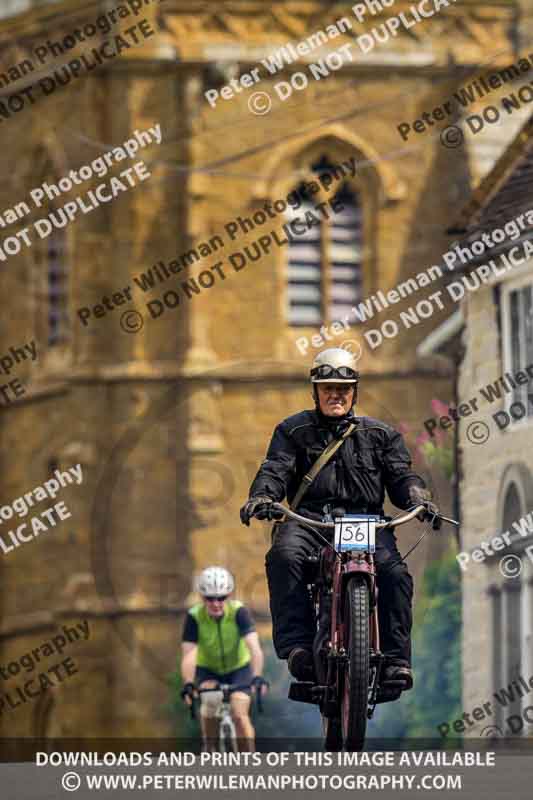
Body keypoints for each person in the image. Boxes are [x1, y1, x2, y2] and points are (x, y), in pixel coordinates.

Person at [239, 347, 439, 692]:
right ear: (315, 390)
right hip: (310, 521)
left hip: (365, 522)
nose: (336, 395)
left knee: (394, 573)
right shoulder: (292, 431)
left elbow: (401, 477)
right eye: (328, 387)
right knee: (283, 557)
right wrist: (263, 496)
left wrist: (419, 499)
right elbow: (275, 469)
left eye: (343, 389)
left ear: (354, 392)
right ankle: (298, 648)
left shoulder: (382, 435)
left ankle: (395, 660)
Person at [180, 566, 268, 751]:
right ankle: (210, 749)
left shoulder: (239, 612)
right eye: (209, 598)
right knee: (210, 704)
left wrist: (257, 675)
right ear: (202, 597)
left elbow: (254, 648)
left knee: (239, 714)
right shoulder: (194, 616)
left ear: (229, 595)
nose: (216, 603)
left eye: (221, 597)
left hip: (239, 669)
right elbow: (189, 654)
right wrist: (188, 682)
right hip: (208, 670)